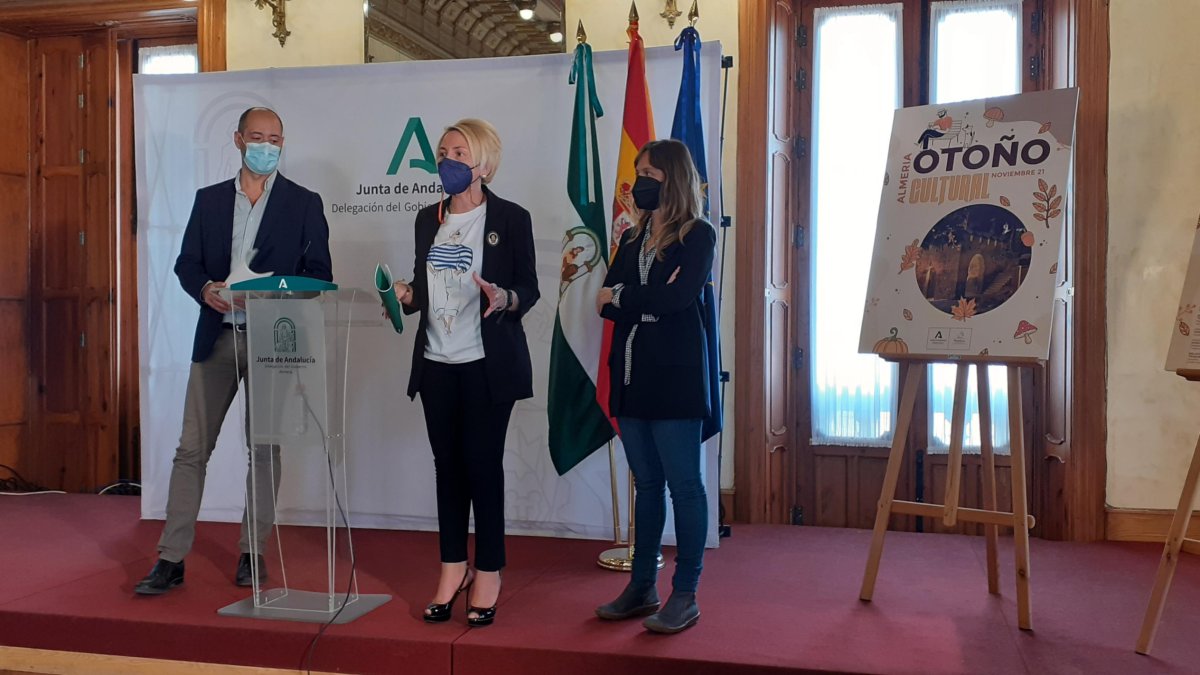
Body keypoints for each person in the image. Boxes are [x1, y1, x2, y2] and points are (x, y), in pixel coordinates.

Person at [134, 107, 333, 595]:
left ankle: (252, 552)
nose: (267, 146)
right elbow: (186, 264)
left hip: (273, 341)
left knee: (263, 449)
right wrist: (206, 289)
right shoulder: (209, 201)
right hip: (216, 337)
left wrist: (269, 294)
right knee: (191, 449)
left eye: (275, 139)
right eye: (257, 137)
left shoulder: (304, 203)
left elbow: (319, 276)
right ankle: (170, 558)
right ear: (238, 139)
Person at [390, 119, 539, 627]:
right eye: (442, 152)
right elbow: (425, 291)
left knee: (482, 465)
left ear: (484, 165)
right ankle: (453, 568)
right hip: (436, 364)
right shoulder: (425, 219)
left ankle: (490, 570)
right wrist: (404, 294)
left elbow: (528, 289)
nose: (447, 161)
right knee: (447, 467)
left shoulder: (511, 218)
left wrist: (505, 297)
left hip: (487, 365)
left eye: (459, 153)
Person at [594, 139, 718, 634]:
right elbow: (604, 301)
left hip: (675, 378)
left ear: (672, 177)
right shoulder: (631, 237)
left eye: (648, 173)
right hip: (631, 375)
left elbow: (678, 299)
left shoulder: (698, 235)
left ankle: (685, 593)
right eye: (638, 171)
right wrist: (636, 298)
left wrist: (626, 297)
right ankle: (642, 586)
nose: (639, 181)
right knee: (646, 484)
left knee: (684, 486)